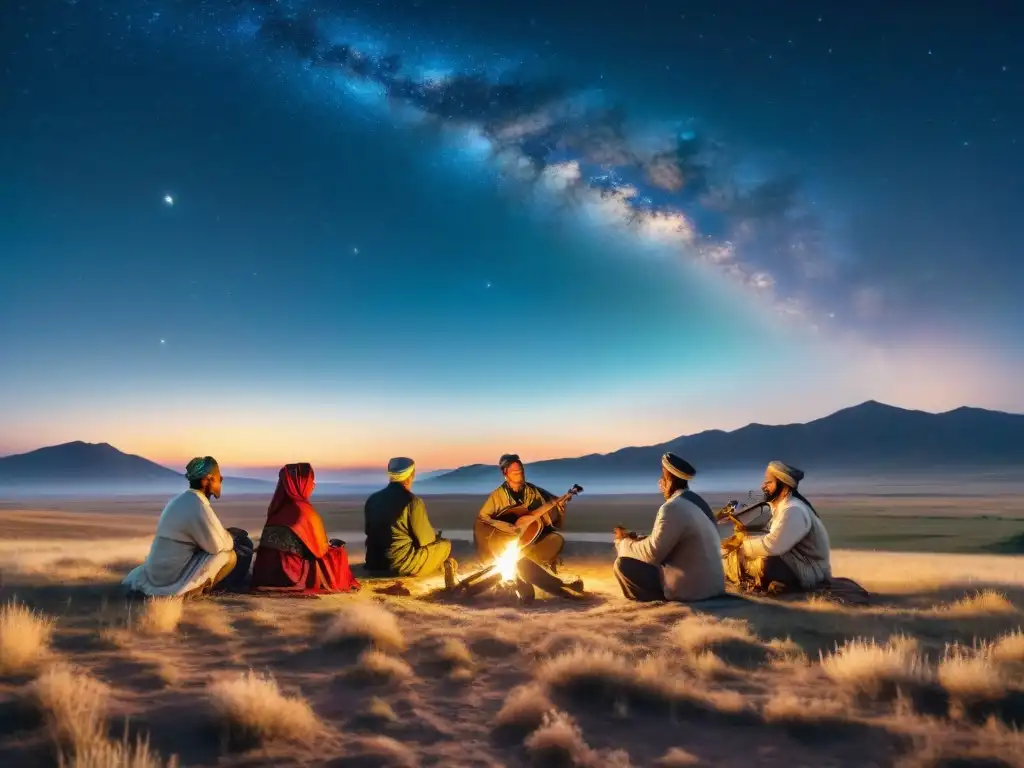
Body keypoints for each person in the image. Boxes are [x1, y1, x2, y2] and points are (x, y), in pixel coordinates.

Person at [123, 456, 253, 597]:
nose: (221, 479)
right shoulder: (198, 505)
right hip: (170, 579)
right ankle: (199, 593)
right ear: (207, 480)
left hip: (157, 573)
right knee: (231, 555)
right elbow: (217, 546)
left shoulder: (178, 500)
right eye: (218, 476)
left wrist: (225, 534)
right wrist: (232, 537)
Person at [611, 453, 725, 602]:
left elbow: (653, 553)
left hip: (691, 592)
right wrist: (640, 540)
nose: (660, 483)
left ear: (670, 481)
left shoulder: (672, 507)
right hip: (712, 587)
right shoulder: (698, 502)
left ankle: (653, 611)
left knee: (623, 565)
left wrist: (624, 544)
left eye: (663, 478)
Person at [721, 460, 832, 593]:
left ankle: (784, 587)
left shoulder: (793, 510)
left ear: (783, 485)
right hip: (797, 562)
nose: (763, 486)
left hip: (809, 570)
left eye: (768, 482)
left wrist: (743, 545)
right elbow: (767, 530)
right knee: (746, 552)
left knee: (765, 560)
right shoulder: (782, 507)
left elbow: (773, 544)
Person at [250, 463, 360, 594]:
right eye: (311, 481)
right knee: (339, 555)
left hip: (265, 574)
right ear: (301, 484)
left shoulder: (277, 508)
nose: (313, 486)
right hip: (290, 575)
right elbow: (320, 551)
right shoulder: (303, 511)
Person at [363, 457, 457, 581]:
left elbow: (369, 532)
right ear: (411, 475)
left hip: (374, 563)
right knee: (445, 545)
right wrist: (437, 538)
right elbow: (426, 539)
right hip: (398, 566)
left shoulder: (372, 499)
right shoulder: (412, 502)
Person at [474, 454, 568, 569]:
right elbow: (483, 518)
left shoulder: (533, 491)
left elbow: (552, 502)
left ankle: (536, 564)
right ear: (505, 472)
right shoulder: (498, 495)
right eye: (515, 471)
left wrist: (559, 506)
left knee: (555, 540)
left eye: (521, 469)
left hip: (528, 541)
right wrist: (505, 526)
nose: (519, 473)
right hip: (502, 542)